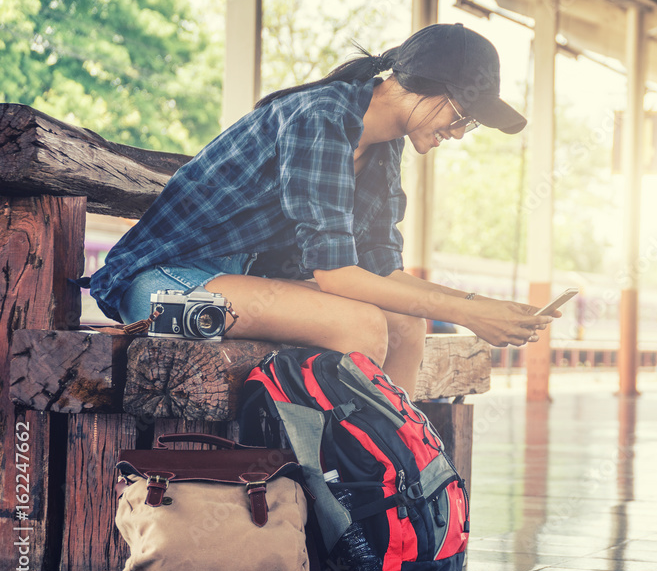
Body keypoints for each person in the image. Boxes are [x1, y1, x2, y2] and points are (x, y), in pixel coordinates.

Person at [87, 23, 555, 396]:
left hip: (246, 284)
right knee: (359, 323)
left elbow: (381, 270)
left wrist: (479, 306)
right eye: (461, 116)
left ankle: (394, 474)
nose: (458, 132)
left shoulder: (384, 148)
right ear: (425, 87)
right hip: (165, 289)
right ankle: (336, 488)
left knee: (407, 325)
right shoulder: (320, 118)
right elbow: (337, 277)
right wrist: (469, 313)